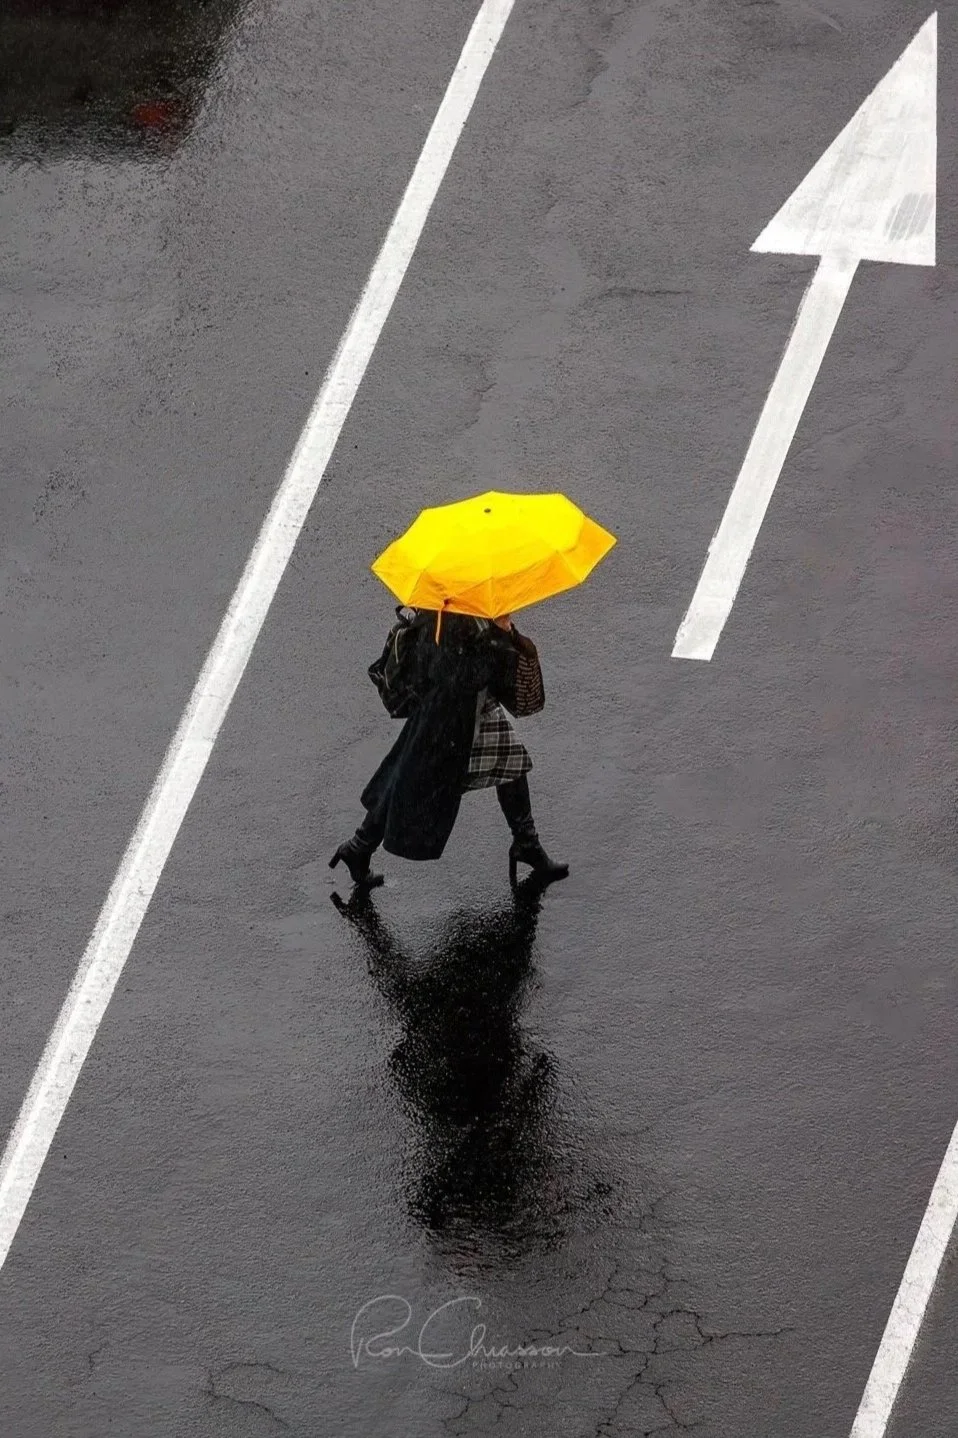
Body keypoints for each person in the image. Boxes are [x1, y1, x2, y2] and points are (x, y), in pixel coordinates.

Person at [330, 610, 568, 889]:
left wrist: (499, 631)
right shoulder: (444, 618)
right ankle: (359, 846)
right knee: (408, 785)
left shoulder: (462, 606)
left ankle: (527, 842)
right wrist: (498, 636)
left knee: (511, 763)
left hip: (468, 711)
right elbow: (457, 674)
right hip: (447, 721)